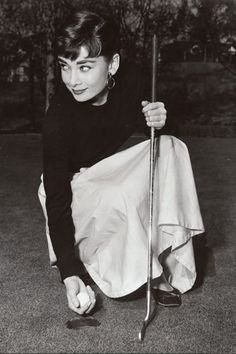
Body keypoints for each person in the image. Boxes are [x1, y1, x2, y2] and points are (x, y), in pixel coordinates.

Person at [38, 10, 204, 316]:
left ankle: (164, 265)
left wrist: (162, 121)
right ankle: (120, 267)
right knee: (117, 192)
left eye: (84, 67)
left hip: (106, 171)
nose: (72, 81)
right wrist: (70, 273)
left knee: (170, 147)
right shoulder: (58, 118)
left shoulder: (133, 80)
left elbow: (161, 131)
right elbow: (58, 198)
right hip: (70, 190)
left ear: (112, 64)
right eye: (65, 67)